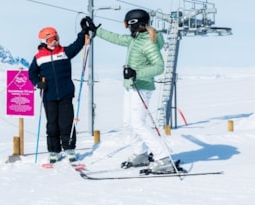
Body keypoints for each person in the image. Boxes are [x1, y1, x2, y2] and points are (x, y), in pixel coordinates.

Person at [88, 10, 177, 174]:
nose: (126, 27)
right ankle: (141, 153)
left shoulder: (148, 42)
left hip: (142, 86)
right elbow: (116, 38)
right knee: (128, 123)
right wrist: (96, 30)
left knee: (139, 124)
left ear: (133, 23)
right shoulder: (134, 39)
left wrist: (137, 74)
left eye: (126, 23)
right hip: (130, 86)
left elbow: (159, 67)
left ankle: (163, 158)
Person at [28, 18, 92, 163]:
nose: (54, 41)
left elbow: (77, 45)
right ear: (44, 41)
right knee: (52, 124)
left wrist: (83, 33)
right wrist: (38, 83)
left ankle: (69, 148)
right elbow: (31, 73)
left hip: (65, 93)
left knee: (67, 122)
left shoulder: (64, 52)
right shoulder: (38, 58)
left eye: (56, 38)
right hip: (49, 95)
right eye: (51, 39)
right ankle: (54, 151)